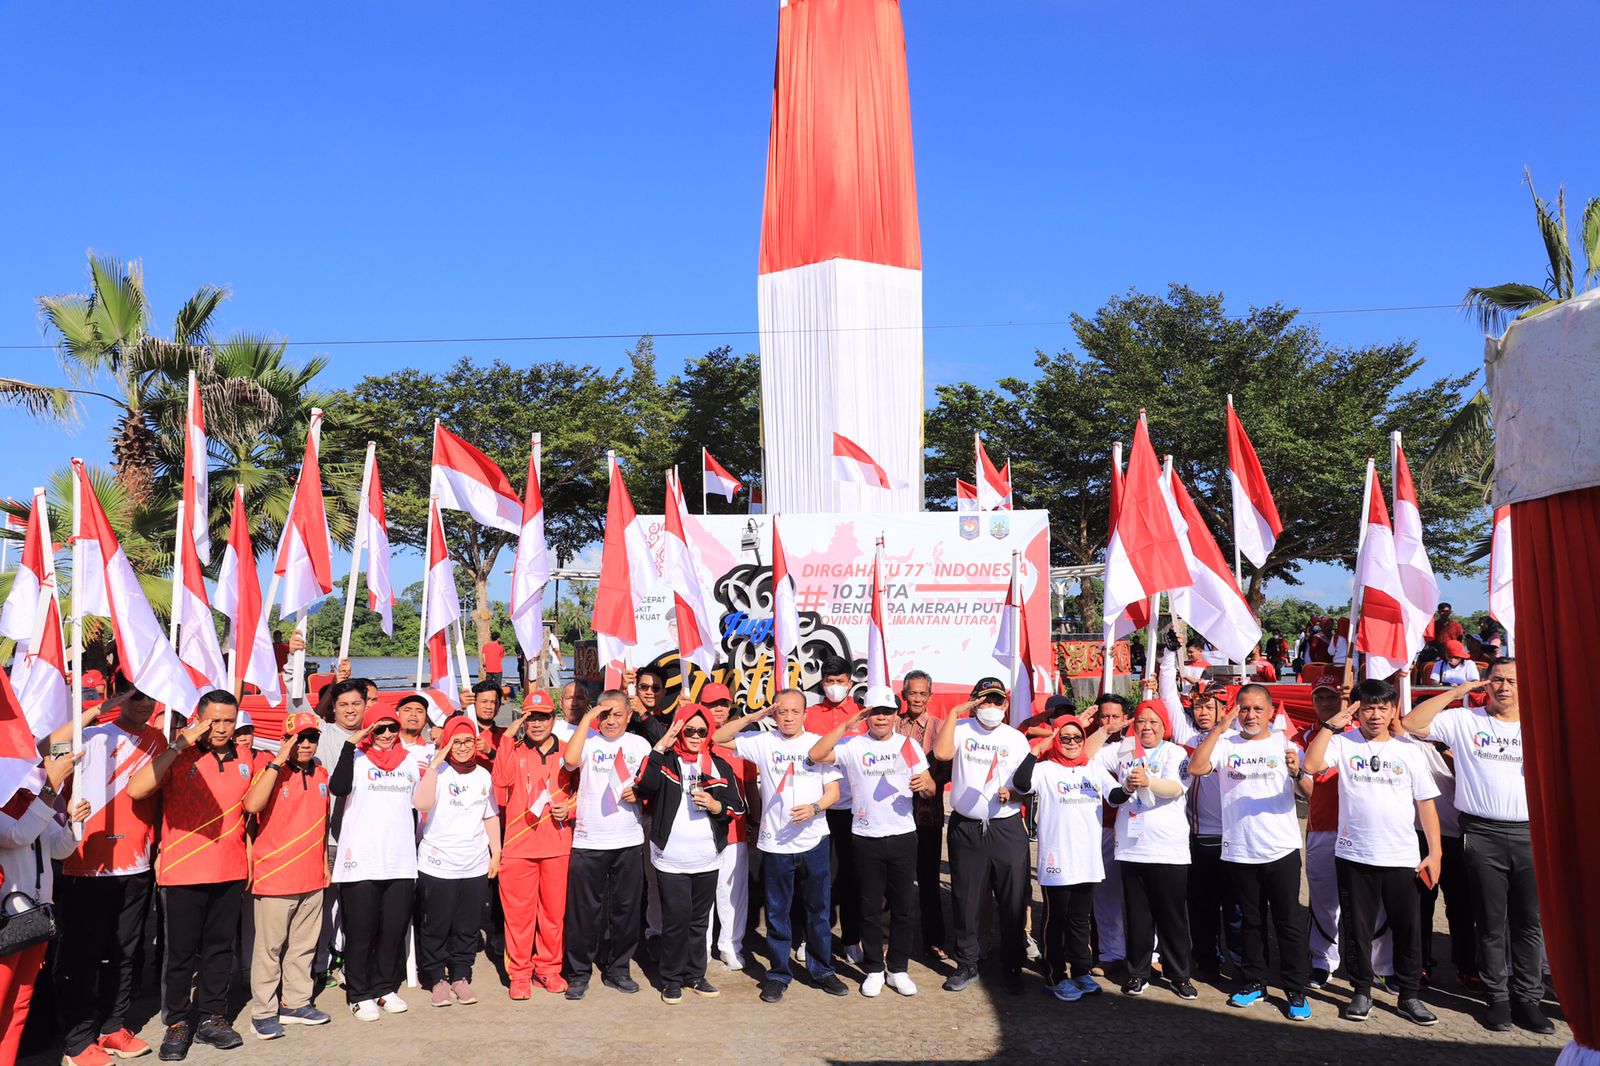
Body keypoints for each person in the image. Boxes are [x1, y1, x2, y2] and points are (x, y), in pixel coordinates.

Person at [1404, 659, 1550, 1034]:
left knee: (1529, 922)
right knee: (1489, 920)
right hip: (1481, 833)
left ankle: (1529, 999)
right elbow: (1412, 724)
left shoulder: (1539, 724)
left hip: (1530, 832)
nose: (1504, 687)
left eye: (1512, 680)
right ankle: (1498, 998)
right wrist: (1456, 693)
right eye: (1497, 680)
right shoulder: (1465, 720)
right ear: (1486, 684)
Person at [1304, 678, 1441, 1026]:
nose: (1375, 715)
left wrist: (1436, 853)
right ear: (1358, 711)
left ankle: (1409, 994)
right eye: (1368, 708)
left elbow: (1426, 804)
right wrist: (1330, 726)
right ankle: (1361, 989)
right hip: (1354, 854)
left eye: (1382, 708)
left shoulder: (1409, 750)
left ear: (1393, 710)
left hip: (1402, 858)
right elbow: (1312, 765)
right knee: (1357, 928)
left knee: (1406, 929)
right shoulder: (1343, 743)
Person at [125, 692, 251, 1059]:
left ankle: (213, 1018)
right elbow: (136, 789)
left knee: (219, 951)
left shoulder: (245, 759)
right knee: (179, 955)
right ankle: (178, 1023)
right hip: (184, 872)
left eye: (229, 720)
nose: (222, 728)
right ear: (199, 719)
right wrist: (181, 743)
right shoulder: (178, 756)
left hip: (229, 870)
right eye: (214, 720)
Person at [49, 691, 164, 1065]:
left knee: (126, 952)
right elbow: (49, 746)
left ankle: (112, 1027)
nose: (144, 705)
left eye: (150, 698)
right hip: (86, 863)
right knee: (82, 956)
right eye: (136, 697)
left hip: (136, 864)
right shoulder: (94, 735)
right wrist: (98, 709)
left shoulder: (157, 740)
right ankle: (77, 1041)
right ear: (121, 696)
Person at [711, 688, 848, 1003]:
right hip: (774, 844)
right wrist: (753, 717)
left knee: (818, 910)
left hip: (813, 841)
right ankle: (778, 973)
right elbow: (718, 738)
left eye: (794, 712)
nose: (787, 717)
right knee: (777, 912)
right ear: (775, 714)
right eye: (781, 712)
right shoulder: (763, 742)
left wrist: (814, 808)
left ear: (804, 714)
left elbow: (834, 793)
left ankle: (822, 970)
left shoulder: (817, 744)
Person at [1188, 685, 1314, 1020]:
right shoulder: (1225, 743)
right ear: (1236, 711)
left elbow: (1308, 793)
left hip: (1281, 848)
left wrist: (1297, 773)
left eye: (1258, 709)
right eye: (1244, 709)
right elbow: (1197, 768)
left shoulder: (1286, 744)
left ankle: (1295, 989)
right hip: (1239, 849)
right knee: (1250, 921)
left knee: (1288, 922)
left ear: (1271, 712)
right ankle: (1254, 981)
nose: (1251, 716)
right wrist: (1218, 728)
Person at [809, 688, 935, 997]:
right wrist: (847, 725)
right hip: (865, 837)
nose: (881, 717)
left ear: (895, 715)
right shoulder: (853, 745)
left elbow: (930, 787)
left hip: (903, 836)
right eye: (875, 712)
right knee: (869, 908)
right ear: (866, 715)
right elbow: (815, 755)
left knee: (903, 908)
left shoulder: (908, 746)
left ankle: (898, 969)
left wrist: (926, 786)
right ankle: (876, 969)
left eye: (887, 711)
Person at [637, 703, 747, 1003]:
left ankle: (696, 975)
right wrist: (661, 744)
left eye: (702, 730)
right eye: (690, 730)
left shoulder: (719, 765)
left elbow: (738, 806)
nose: (696, 736)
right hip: (671, 858)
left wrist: (716, 806)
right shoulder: (666, 761)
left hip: (707, 856)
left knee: (700, 921)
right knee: (675, 920)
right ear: (679, 730)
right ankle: (671, 979)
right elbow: (644, 786)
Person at [930, 678, 1031, 994]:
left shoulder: (1016, 739)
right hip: (967, 827)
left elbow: (1026, 784)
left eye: (996, 701)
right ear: (974, 703)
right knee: (966, 899)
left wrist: (1012, 793)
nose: (991, 708)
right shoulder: (960, 728)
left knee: (1012, 900)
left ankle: (1012, 966)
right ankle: (967, 963)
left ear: (1005, 705)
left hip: (1006, 827)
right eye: (984, 701)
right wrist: (955, 712)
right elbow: (943, 754)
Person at [1096, 699, 1198, 1001]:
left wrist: (1148, 781)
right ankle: (1138, 973)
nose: (1147, 727)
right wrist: (1108, 730)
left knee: (1172, 917)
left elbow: (1176, 788)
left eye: (1154, 722)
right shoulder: (1124, 749)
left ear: (1164, 726)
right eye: (1141, 721)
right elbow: (1089, 758)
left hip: (1167, 849)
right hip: (1131, 848)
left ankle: (1179, 975)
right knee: (1138, 917)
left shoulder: (1175, 752)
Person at [242, 711, 333, 1041]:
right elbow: (251, 806)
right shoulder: (269, 772)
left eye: (312, 738)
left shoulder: (321, 773)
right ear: (285, 740)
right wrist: (278, 761)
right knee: (269, 950)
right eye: (298, 738)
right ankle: (263, 1012)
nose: (306, 744)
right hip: (276, 875)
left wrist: (324, 866)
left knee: (303, 947)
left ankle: (296, 1003)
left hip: (311, 875)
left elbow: (323, 825)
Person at [329, 704, 422, 1021]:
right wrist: (351, 744)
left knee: (392, 929)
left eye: (391, 728)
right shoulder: (357, 758)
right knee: (361, 929)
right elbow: (338, 788)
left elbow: (417, 803)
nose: (385, 735)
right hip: (362, 861)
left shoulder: (409, 761)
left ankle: (384, 988)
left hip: (399, 860)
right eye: (378, 728)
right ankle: (359, 993)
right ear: (368, 729)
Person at [1010, 713, 1112, 1002]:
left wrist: (1129, 786)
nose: (1071, 743)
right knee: (1056, 920)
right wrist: (1035, 751)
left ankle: (1081, 970)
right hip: (1057, 860)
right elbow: (1020, 784)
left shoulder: (1093, 768)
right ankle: (1056, 975)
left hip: (1088, 860)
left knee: (1080, 920)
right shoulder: (1045, 769)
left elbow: (1115, 796)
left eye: (1077, 737)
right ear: (1056, 739)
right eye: (1064, 738)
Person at [560, 689, 650, 998]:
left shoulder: (640, 744)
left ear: (629, 716)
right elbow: (570, 762)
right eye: (605, 714)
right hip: (589, 840)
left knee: (625, 910)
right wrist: (588, 718)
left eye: (617, 714)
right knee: (585, 912)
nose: (610, 720)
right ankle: (579, 972)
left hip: (628, 839)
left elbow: (651, 785)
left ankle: (618, 969)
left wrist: (641, 794)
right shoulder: (587, 741)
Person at [0, 741, 84, 1065]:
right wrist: (50, 789)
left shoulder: (30, 802)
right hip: (8, 920)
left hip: (38, 916)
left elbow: (58, 849)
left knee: (20, 1004)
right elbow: (19, 835)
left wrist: (76, 823)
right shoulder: (17, 805)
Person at [413, 716, 501, 1008]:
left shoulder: (483, 776)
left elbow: (490, 816)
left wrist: (496, 852)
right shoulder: (438, 772)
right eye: (455, 741)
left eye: (467, 741)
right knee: (436, 925)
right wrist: (436, 765)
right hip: (438, 864)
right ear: (446, 743)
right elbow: (421, 804)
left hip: (473, 864)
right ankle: (436, 978)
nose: (462, 748)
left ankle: (461, 975)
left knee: (467, 925)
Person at [493, 690, 575, 998]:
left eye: (543, 717)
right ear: (523, 720)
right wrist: (506, 738)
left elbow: (584, 793)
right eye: (531, 718)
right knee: (518, 916)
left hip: (557, 846)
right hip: (517, 848)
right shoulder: (513, 750)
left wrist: (571, 808)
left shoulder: (568, 753)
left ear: (553, 719)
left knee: (553, 915)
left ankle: (549, 969)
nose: (537, 724)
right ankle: (520, 974)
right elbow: (500, 781)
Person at [804, 656, 866, 964]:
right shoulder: (810, 715)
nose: (834, 687)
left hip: (854, 810)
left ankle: (852, 937)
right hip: (819, 807)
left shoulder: (863, 715)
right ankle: (816, 935)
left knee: (853, 875)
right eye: (829, 682)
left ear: (850, 682)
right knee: (819, 876)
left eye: (840, 681)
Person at [895, 669, 949, 962]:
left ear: (930, 696)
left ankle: (934, 939)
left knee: (928, 881)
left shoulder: (940, 728)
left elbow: (947, 768)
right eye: (912, 693)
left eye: (922, 693)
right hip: (893, 816)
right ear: (904, 695)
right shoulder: (891, 723)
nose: (917, 698)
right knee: (897, 882)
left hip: (926, 815)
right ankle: (894, 939)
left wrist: (926, 780)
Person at [699, 683, 751, 971]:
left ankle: (731, 945)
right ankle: (702, 947)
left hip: (735, 829)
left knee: (732, 893)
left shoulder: (742, 743)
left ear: (730, 706)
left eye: (722, 704)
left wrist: (752, 822)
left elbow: (749, 790)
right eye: (711, 704)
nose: (717, 709)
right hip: (701, 832)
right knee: (703, 895)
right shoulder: (692, 738)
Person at [1298, 677, 1346, 988]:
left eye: (1331, 697)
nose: (1326, 703)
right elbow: (1306, 790)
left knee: (1371, 904)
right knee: (1324, 902)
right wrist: (1296, 775)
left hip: (1364, 830)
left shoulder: (1363, 731)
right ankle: (1322, 960)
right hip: (1322, 827)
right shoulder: (1306, 737)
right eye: (1319, 698)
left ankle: (1377, 964)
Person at [1088, 693, 1132, 975]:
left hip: (1138, 829)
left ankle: (1149, 953)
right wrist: (1103, 732)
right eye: (1105, 717)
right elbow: (1084, 757)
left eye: (1116, 717)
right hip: (1103, 826)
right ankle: (1112, 951)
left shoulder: (1139, 742)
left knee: (1141, 894)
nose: (1110, 722)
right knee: (1106, 895)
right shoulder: (1093, 743)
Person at [396, 693, 434, 759]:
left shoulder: (432, 751)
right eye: (407, 710)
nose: (413, 714)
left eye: (419, 711)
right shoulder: (385, 744)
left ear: (426, 719)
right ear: (397, 715)